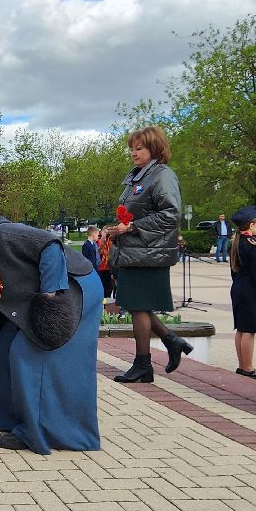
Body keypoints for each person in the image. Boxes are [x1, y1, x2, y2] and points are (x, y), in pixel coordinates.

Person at [0, 204, 104, 453]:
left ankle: (43, 431)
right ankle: (11, 421)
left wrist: (48, 301)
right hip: (40, 300)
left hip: (73, 290)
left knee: (25, 353)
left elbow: (50, 246)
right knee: (5, 347)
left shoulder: (1, 235)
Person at [104, 125, 191, 382]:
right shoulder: (138, 177)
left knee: (139, 306)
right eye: (132, 148)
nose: (133, 153)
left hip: (149, 253)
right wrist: (117, 229)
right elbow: (136, 213)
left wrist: (131, 227)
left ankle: (143, 364)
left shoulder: (162, 175)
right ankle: (171, 341)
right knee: (135, 305)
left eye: (139, 148)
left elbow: (171, 214)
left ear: (154, 148)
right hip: (135, 252)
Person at [229, 206, 256, 381]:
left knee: (241, 328)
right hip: (250, 291)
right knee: (249, 330)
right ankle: (248, 368)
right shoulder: (252, 246)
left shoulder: (236, 242)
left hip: (238, 288)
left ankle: (242, 365)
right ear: (251, 225)